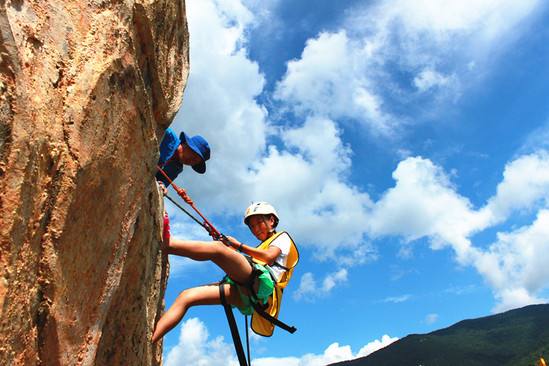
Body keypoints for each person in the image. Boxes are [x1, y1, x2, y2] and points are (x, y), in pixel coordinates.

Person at [151, 202, 295, 343]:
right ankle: (150, 339)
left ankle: (168, 245)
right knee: (187, 297)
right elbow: (246, 261)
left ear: (271, 220)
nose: (256, 229)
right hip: (251, 293)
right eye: (252, 226)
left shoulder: (282, 237)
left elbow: (269, 257)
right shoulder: (260, 248)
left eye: (259, 223)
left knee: (218, 249)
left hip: (261, 284)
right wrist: (229, 248)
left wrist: (236, 245)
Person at [156, 127, 211, 196]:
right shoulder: (167, 134)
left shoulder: (176, 169)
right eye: (194, 156)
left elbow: (161, 181)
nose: (191, 161)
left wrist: (162, 186)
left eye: (194, 162)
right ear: (187, 144)